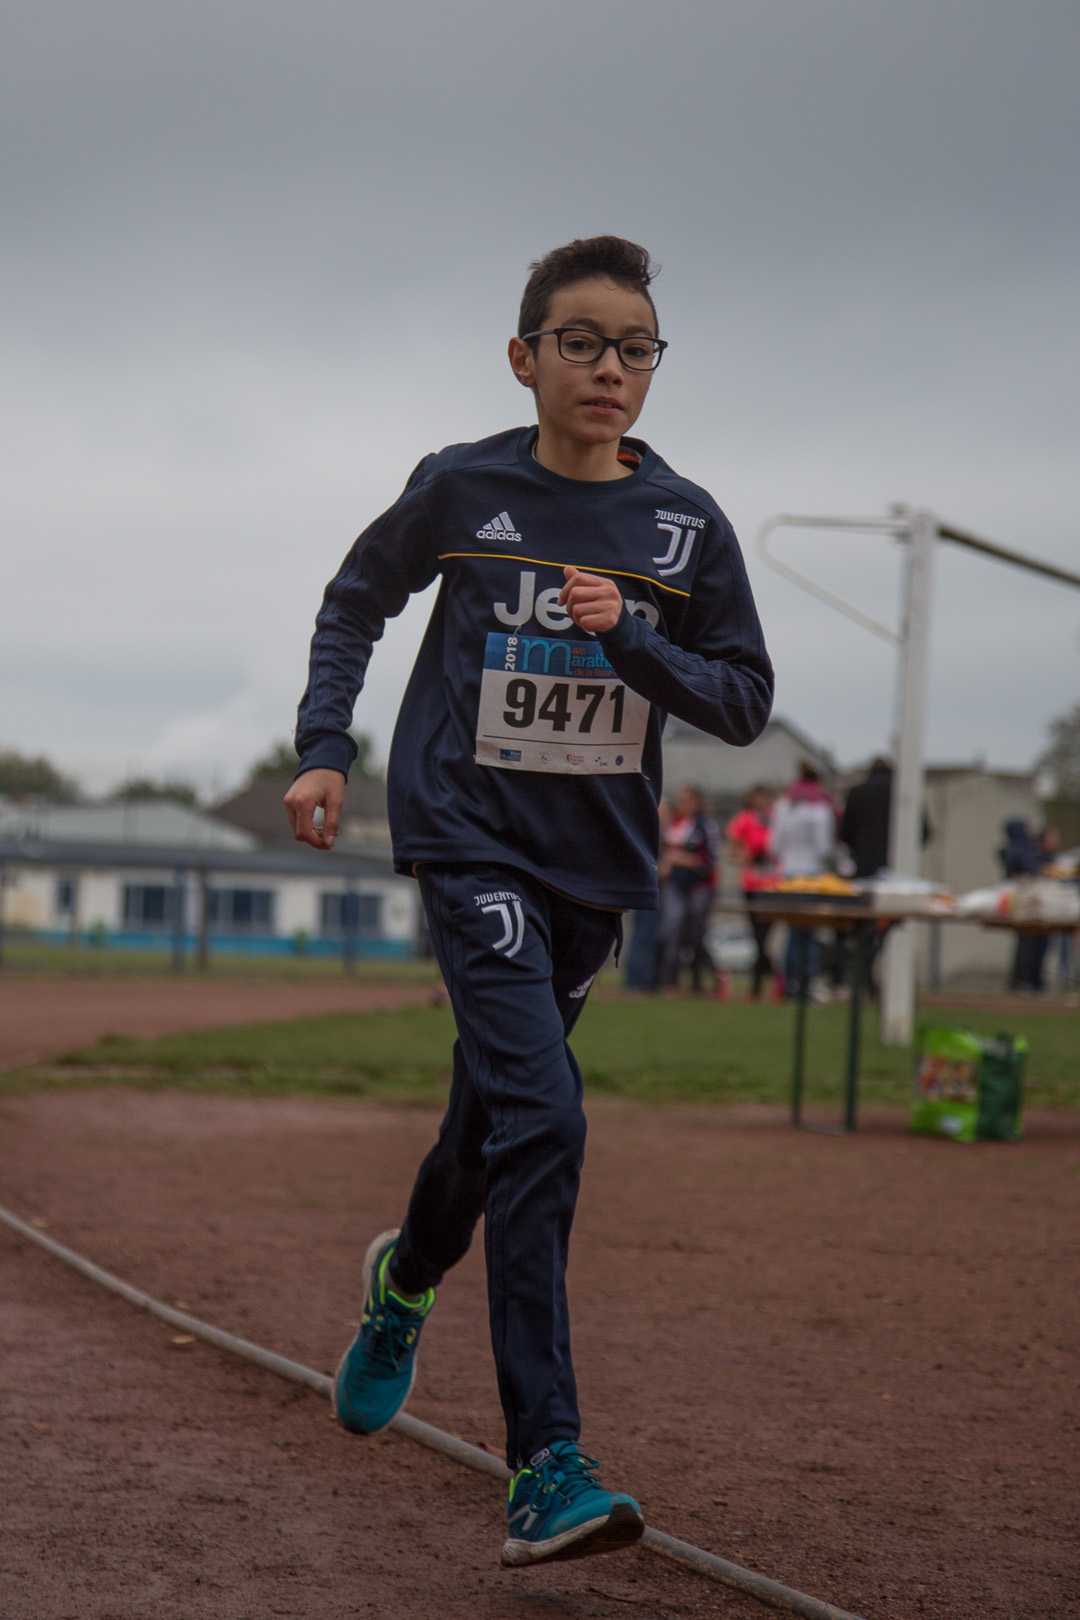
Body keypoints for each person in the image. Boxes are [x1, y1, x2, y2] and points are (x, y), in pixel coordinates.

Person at [284, 236, 774, 1568]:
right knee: (546, 1118)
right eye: (583, 343)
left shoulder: (686, 527)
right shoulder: (464, 486)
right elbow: (355, 602)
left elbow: (742, 701)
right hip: (467, 838)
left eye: (636, 348)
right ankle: (545, 1464)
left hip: (590, 872)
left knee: (488, 1128)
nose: (611, 367)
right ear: (525, 357)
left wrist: (633, 637)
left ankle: (403, 1283)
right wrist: (324, 746)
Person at [771, 763, 837, 999]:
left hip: (788, 872)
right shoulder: (820, 807)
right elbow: (824, 848)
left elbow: (774, 846)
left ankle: (789, 983)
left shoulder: (784, 805)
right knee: (810, 932)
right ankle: (807, 983)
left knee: (792, 931)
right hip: (812, 873)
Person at [657, 784, 719, 992]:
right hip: (676, 884)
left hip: (699, 886)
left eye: (686, 800)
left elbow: (708, 861)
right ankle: (670, 979)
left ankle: (701, 979)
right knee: (671, 930)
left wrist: (681, 859)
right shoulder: (674, 823)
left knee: (695, 934)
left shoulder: (705, 825)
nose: (681, 804)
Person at [725, 784, 777, 998]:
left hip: (774, 885)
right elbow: (732, 852)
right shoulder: (744, 820)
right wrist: (745, 856)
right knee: (757, 934)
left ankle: (761, 978)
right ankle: (766, 977)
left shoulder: (777, 819)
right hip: (752, 883)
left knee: (765, 934)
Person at [999, 817, 1045, 993]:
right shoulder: (1017, 850)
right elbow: (1026, 872)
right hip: (1024, 901)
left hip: (1028, 900)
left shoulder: (1026, 848)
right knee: (1027, 942)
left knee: (1031, 942)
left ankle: (1028, 981)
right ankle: (1023, 981)